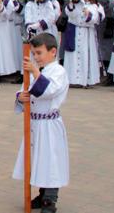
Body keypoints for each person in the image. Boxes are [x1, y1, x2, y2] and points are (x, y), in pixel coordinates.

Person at [13, 33, 69, 213]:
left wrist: (35, 72)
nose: (36, 57)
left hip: (49, 124)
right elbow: (25, 90)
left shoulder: (58, 71)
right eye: (34, 54)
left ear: (53, 52)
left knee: (50, 161)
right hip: (34, 124)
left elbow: (48, 91)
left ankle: (50, 199)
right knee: (37, 160)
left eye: (39, 53)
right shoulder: (36, 71)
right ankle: (41, 193)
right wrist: (21, 98)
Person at [63, 0, 100, 88]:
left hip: (86, 33)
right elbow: (70, 14)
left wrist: (89, 15)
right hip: (75, 31)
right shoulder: (77, 4)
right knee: (73, 56)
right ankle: (73, 79)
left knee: (85, 55)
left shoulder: (94, 6)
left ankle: (86, 79)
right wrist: (72, 3)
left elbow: (95, 19)